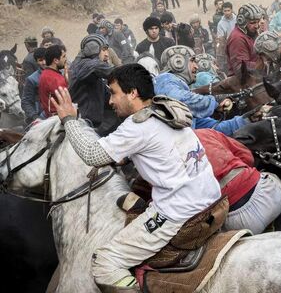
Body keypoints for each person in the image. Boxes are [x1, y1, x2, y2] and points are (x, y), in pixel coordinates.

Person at [50, 64, 222, 291]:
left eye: (113, 93)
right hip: (211, 199)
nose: (110, 101)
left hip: (179, 213)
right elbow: (156, 147)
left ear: (132, 93)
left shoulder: (137, 127)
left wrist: (69, 120)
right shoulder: (165, 108)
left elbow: (92, 154)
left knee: (105, 262)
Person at [195, 129, 281, 235]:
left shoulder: (171, 158)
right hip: (272, 193)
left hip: (242, 222)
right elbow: (247, 157)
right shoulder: (204, 132)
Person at [153, 46, 248, 136]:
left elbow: (214, 128)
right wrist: (215, 102)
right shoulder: (164, 79)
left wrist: (245, 120)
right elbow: (180, 99)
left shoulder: (187, 107)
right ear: (178, 62)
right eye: (192, 61)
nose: (196, 67)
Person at [68, 34, 114, 129]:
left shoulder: (93, 72)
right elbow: (111, 71)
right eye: (104, 49)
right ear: (93, 49)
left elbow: (107, 97)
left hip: (91, 122)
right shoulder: (85, 65)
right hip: (83, 124)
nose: (107, 54)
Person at [226, 3, 262, 75]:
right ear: (241, 21)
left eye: (258, 22)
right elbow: (240, 67)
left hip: (255, 76)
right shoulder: (237, 38)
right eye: (252, 22)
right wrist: (263, 63)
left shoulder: (251, 33)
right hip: (243, 82)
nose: (257, 26)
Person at [38, 44, 68, 118]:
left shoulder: (46, 73)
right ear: (55, 60)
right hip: (58, 118)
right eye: (63, 57)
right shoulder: (54, 78)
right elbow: (67, 99)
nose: (66, 59)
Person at [22, 47, 47, 124]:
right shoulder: (32, 79)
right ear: (36, 62)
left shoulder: (61, 73)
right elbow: (26, 101)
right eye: (40, 60)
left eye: (46, 59)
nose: (44, 62)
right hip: (41, 117)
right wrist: (35, 117)